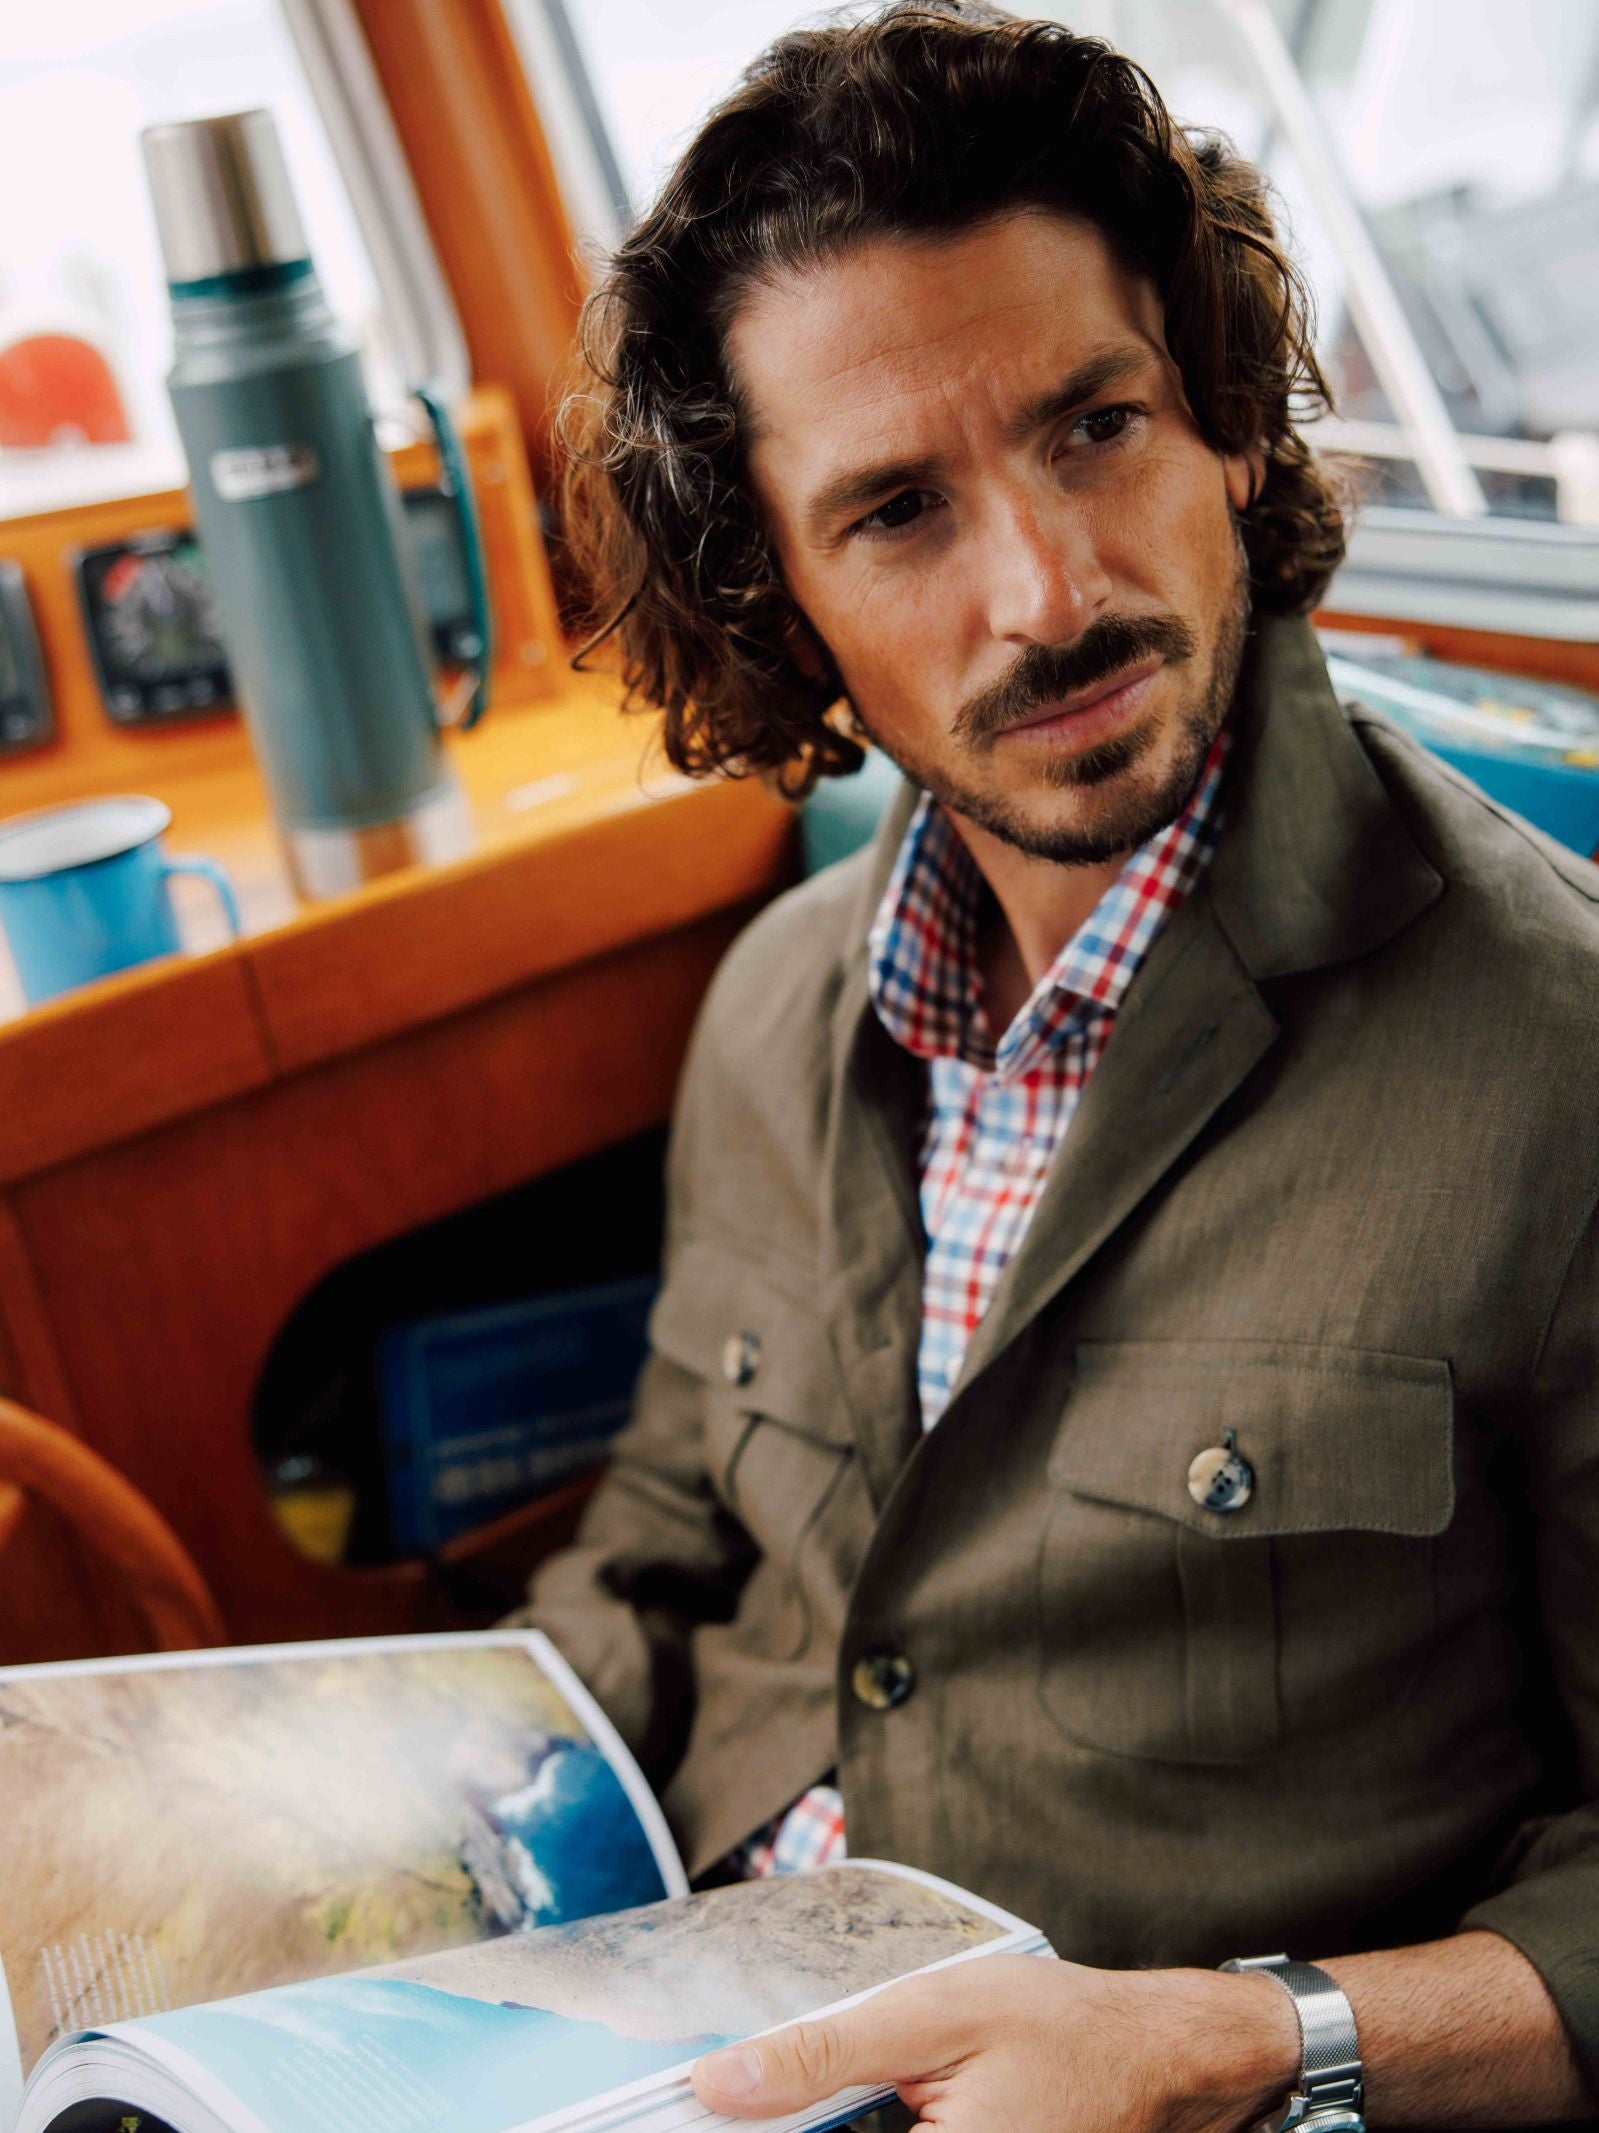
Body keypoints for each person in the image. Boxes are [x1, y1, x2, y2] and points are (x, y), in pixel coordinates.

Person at [521, 6, 1599, 2126]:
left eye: (1093, 425)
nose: (1046, 590)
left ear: (1221, 424)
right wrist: (338, 1829)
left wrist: (1237, 2042)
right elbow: (657, 1539)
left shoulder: (1558, 1068)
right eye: (899, 512)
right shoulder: (761, 1009)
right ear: (782, 598)